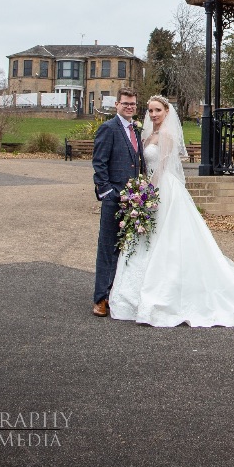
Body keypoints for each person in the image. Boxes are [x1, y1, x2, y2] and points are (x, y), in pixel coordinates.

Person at [109, 95, 234, 327]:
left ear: (167, 112)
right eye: (150, 110)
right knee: (149, 238)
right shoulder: (147, 135)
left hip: (162, 190)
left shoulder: (166, 136)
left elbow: (162, 168)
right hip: (149, 188)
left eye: (157, 110)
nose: (153, 114)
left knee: (169, 240)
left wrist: (146, 195)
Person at [91, 87, 143, 317]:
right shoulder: (108, 128)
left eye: (132, 104)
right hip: (114, 199)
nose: (129, 107)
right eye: (125, 104)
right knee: (107, 248)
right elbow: (99, 163)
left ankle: (118, 294)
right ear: (117, 105)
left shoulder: (136, 131)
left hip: (134, 200)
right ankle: (100, 298)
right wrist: (108, 192)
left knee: (127, 249)